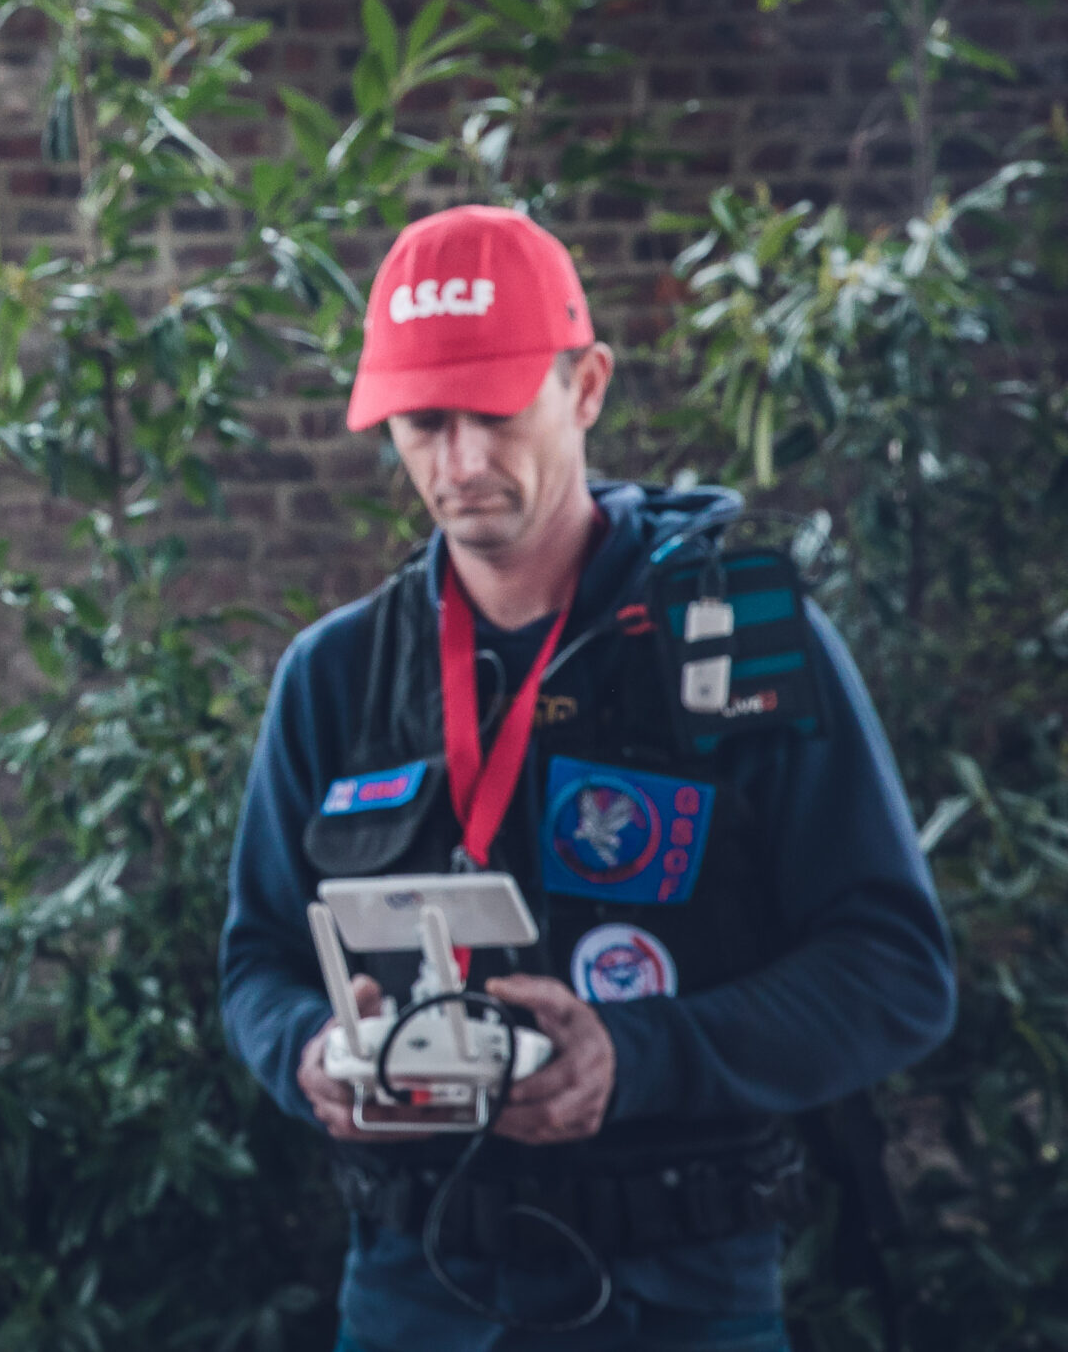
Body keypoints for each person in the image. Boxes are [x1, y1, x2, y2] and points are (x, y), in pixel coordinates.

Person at [217, 205, 956, 1352]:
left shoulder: (733, 638)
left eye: (496, 412)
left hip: (682, 1288)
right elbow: (257, 960)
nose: (457, 464)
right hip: (416, 1290)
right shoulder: (338, 675)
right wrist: (312, 1051)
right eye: (423, 423)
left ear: (588, 385)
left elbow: (896, 971)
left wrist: (639, 1056)